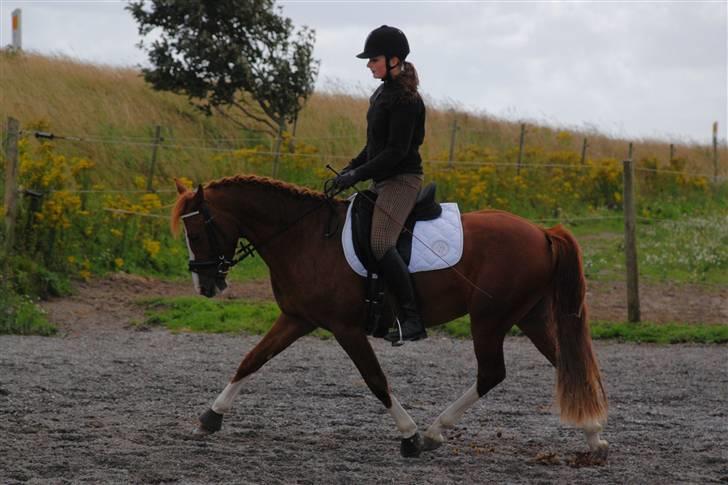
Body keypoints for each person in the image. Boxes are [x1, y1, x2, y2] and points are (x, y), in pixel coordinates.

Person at [333, 25, 427, 345]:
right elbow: (374, 147)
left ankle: (413, 319)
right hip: (383, 179)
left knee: (380, 243)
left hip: (402, 180)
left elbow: (396, 153)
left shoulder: (406, 99)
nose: (369, 64)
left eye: (373, 59)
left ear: (393, 60)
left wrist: (356, 177)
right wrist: (348, 170)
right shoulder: (381, 93)